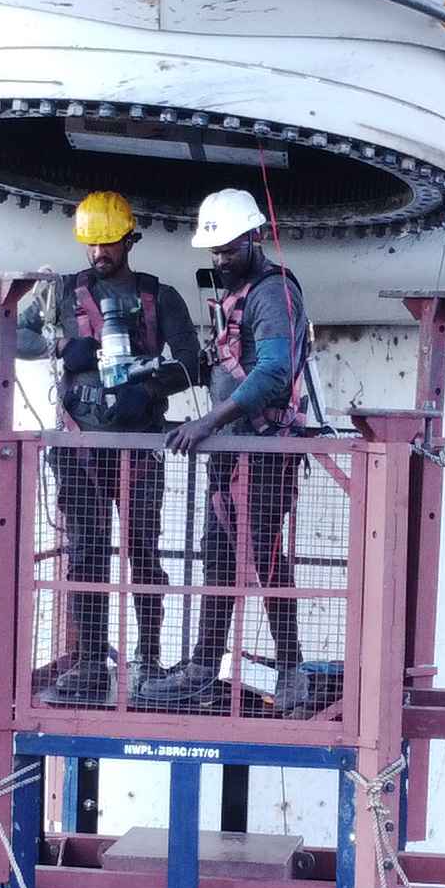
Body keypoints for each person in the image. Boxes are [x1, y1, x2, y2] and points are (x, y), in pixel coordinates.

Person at [11, 190, 203, 706]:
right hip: (78, 446)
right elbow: (11, 334)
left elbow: (192, 361)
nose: (100, 253)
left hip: (139, 444)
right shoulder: (62, 295)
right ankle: (93, 661)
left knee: (143, 552)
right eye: (92, 243)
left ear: (127, 238)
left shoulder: (159, 298)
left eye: (109, 242)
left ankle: (148, 661)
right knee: (86, 554)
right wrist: (57, 345)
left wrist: (148, 387)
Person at [151, 186, 326, 713]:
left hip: (264, 449)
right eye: (214, 251)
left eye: (228, 249)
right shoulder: (240, 293)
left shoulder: (272, 294)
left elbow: (273, 372)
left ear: (253, 238)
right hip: (234, 449)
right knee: (220, 555)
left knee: (266, 558)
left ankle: (291, 672)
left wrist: (208, 421)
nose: (220, 260)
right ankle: (206, 664)